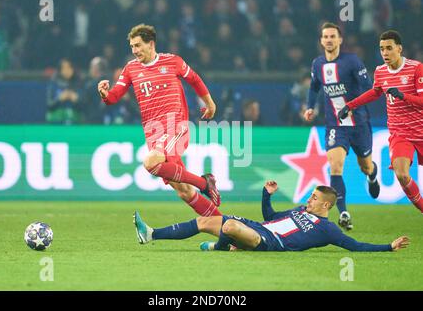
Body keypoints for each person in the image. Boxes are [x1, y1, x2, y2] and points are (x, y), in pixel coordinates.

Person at [97, 24, 221, 217]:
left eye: (138, 45)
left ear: (151, 44)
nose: (134, 51)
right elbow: (114, 97)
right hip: (153, 133)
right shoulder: (130, 68)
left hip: (175, 126)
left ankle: (205, 183)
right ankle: (226, 229)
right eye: (132, 47)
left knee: (150, 163)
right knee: (184, 191)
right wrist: (105, 94)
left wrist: (210, 104)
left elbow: (195, 79)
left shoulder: (173, 61)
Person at [133, 180, 409, 252]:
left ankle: (224, 247)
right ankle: (151, 234)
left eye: (313, 198)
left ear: (326, 206)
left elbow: (355, 246)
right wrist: (267, 195)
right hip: (260, 227)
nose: (308, 199)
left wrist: (388, 246)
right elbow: (271, 216)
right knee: (206, 221)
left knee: (228, 225)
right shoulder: (300, 211)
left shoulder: (328, 230)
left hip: (268, 243)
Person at [303, 22, 380, 231]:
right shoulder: (317, 64)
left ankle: (372, 173)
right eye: (325, 36)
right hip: (336, 125)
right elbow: (314, 87)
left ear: (340, 40)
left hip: (359, 124)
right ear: (321, 41)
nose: (328, 40)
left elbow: (369, 89)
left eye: (332, 36)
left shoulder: (352, 61)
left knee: (365, 165)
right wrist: (310, 107)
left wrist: (355, 105)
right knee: (335, 167)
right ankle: (343, 212)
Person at [338, 30, 423, 214]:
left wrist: (403, 96)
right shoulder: (380, 71)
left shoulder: (416, 68)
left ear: (399, 49)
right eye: (382, 49)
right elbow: (376, 92)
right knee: (401, 174)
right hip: (401, 134)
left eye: (389, 48)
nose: (385, 53)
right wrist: (350, 105)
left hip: (421, 130)